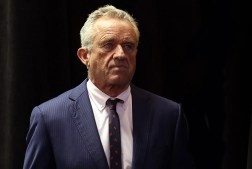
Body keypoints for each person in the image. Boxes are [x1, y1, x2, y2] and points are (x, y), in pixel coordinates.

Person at [23, 4, 195, 169]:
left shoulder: (168, 116)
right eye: (108, 45)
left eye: (128, 46)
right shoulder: (50, 118)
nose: (120, 54)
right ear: (85, 56)